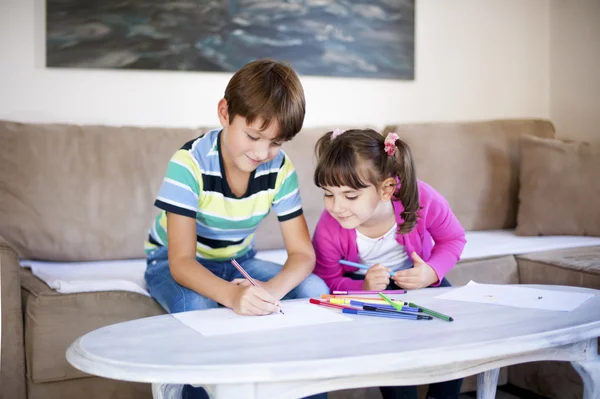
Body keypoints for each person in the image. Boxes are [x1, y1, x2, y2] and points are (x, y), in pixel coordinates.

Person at [145, 59, 328, 399]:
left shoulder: (280, 169)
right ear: (224, 112)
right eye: (254, 136)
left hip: (237, 259)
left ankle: (304, 388)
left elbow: (302, 254)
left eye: (276, 143)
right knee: (197, 308)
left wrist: (270, 291)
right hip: (173, 263)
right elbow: (181, 262)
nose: (262, 152)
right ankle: (184, 389)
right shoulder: (189, 164)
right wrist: (232, 296)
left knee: (313, 288)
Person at [312, 128, 466, 399]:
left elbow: (453, 238)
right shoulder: (328, 227)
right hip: (370, 292)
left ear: (387, 188)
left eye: (349, 196)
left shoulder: (421, 199)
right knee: (391, 346)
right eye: (328, 193)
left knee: (454, 326)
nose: (335, 207)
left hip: (421, 281)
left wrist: (430, 272)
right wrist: (363, 287)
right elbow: (325, 282)